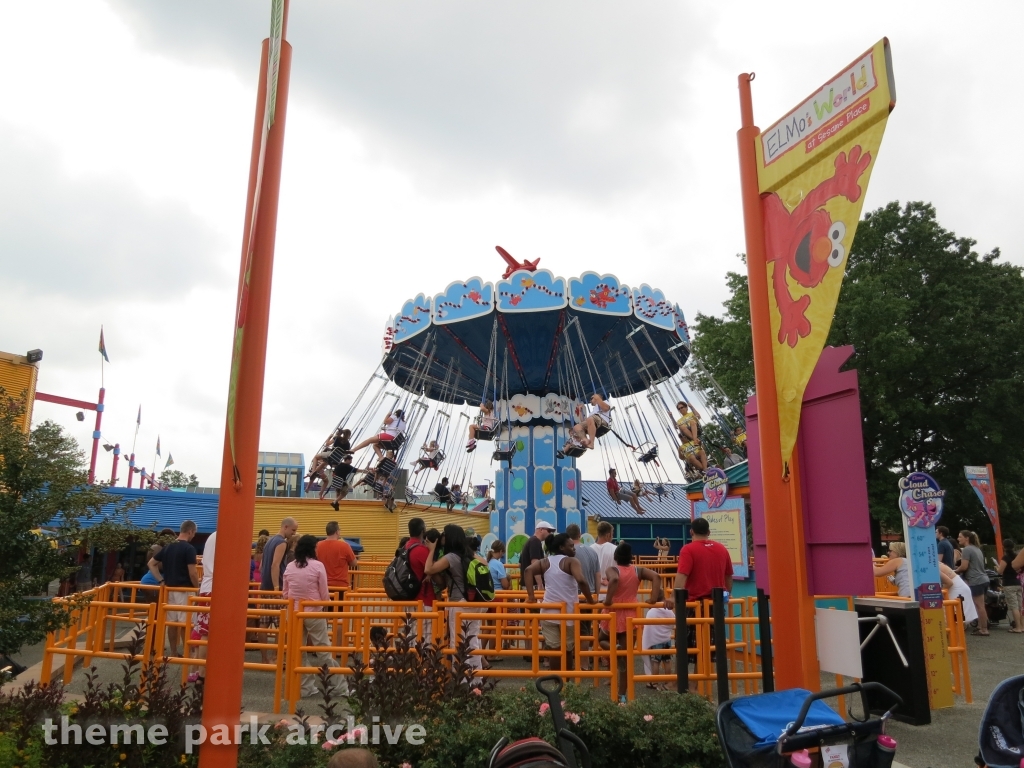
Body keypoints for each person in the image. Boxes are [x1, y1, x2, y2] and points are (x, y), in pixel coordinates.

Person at [283, 534, 346, 698]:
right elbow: (324, 592)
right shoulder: (318, 566)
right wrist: (325, 605)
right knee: (323, 651)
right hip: (314, 611)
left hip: (294, 612)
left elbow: (285, 593)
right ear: (312, 548)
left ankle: (305, 687)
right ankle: (340, 686)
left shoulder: (290, 566)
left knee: (298, 652)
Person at [524, 533, 596, 672]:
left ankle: (557, 684)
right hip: (568, 614)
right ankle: (566, 683)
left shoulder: (545, 562)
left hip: (549, 612)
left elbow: (527, 571)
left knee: (555, 650)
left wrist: (531, 597)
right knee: (568, 650)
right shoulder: (571, 562)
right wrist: (590, 600)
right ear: (562, 547)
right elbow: (581, 580)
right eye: (571, 546)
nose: (574, 548)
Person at [603, 542, 662, 700]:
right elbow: (656, 576)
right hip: (631, 613)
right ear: (630, 557)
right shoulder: (638, 570)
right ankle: (622, 695)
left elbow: (614, 579)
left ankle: (613, 647)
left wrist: (608, 600)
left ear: (615, 557)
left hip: (613, 612)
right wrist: (654, 598)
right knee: (626, 658)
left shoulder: (612, 569)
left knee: (601, 638)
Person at [423, 525, 483, 673]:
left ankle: (461, 679)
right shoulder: (470, 554)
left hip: (459, 604)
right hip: (474, 602)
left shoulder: (451, 557)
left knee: (457, 642)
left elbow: (428, 569)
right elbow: (485, 564)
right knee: (473, 640)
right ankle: (476, 679)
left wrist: (431, 550)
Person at [149, 520, 199, 658]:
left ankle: (173, 651)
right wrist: (197, 588)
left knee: (172, 623)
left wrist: (161, 580)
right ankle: (188, 652)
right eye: (194, 533)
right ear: (190, 531)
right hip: (185, 590)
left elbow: (151, 563)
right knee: (185, 623)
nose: (194, 536)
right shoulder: (189, 549)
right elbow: (193, 572)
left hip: (169, 589)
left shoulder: (168, 547)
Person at [259, 518, 298, 662]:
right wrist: (277, 588)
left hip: (264, 586)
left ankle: (264, 658)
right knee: (281, 624)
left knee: (263, 623)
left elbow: (262, 565)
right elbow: (275, 565)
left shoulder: (269, 541)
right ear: (286, 527)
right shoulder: (281, 542)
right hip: (277, 586)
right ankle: (277, 655)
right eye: (293, 530)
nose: (293, 533)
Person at [567, 523, 600, 671]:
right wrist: (596, 594)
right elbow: (597, 575)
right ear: (580, 535)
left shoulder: (567, 553)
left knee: (569, 630)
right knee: (585, 631)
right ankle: (584, 664)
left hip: (571, 596)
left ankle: (570, 662)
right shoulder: (591, 552)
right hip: (589, 595)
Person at [187, 530, 216, 683]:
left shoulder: (212, 537)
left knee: (203, 631)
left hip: (207, 586)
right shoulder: (224, 536)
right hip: (215, 588)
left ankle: (199, 669)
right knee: (207, 632)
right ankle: (203, 672)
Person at [403, 518, 435, 643]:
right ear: (423, 530)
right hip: (424, 599)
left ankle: (411, 660)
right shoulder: (421, 550)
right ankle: (422, 662)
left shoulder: (405, 546)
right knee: (424, 639)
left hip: (409, 597)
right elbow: (432, 570)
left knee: (411, 634)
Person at [956, 530, 990, 636]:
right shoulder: (977, 549)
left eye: (960, 537)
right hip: (984, 579)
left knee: (979, 606)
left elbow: (964, 566)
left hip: (975, 580)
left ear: (967, 538)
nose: (958, 539)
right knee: (981, 605)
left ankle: (984, 629)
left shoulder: (967, 549)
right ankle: (981, 626)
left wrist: (955, 571)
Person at [317, 521, 357, 604]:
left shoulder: (318, 545)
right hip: (340, 585)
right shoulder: (344, 546)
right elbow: (354, 563)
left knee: (325, 612)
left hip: (322, 584)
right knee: (340, 613)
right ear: (337, 531)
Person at [642, 599, 676, 689]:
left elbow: (647, 628)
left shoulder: (651, 612)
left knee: (655, 662)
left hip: (655, 641)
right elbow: (673, 624)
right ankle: (668, 681)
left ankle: (654, 681)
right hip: (667, 640)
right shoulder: (669, 611)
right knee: (667, 661)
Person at [519, 521, 556, 590]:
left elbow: (520, 563)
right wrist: (540, 584)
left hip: (526, 584)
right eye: (549, 530)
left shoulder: (529, 541)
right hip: (533, 585)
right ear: (541, 530)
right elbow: (535, 563)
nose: (550, 533)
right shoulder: (535, 542)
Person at [997, 539, 1023, 634]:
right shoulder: (1017, 556)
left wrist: (997, 568)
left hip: (1009, 583)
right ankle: (1022, 625)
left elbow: (1000, 571)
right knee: (1020, 605)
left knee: (1013, 606)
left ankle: (1018, 627)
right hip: (1018, 582)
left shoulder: (1005, 557)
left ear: (1004, 547)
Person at [674, 401, 707, 473]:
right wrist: (671, 417)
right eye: (679, 409)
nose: (680, 409)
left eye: (682, 407)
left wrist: (692, 407)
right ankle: (705, 470)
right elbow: (676, 427)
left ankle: (695, 439)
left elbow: (698, 416)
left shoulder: (691, 413)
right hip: (688, 433)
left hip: (696, 428)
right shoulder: (679, 420)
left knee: (692, 421)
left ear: (686, 407)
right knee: (681, 426)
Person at [592, 521, 617, 594]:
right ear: (608, 535)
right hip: (610, 592)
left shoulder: (589, 549)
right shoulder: (615, 549)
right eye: (612, 534)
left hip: (593, 592)